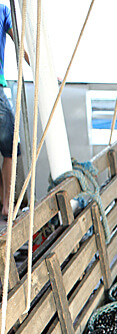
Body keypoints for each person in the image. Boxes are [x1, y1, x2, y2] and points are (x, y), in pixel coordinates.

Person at [0, 4, 28, 220]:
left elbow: (19, 44)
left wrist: (43, 73)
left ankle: (6, 203)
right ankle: (7, 205)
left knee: (10, 145)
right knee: (11, 146)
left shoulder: (3, 10)